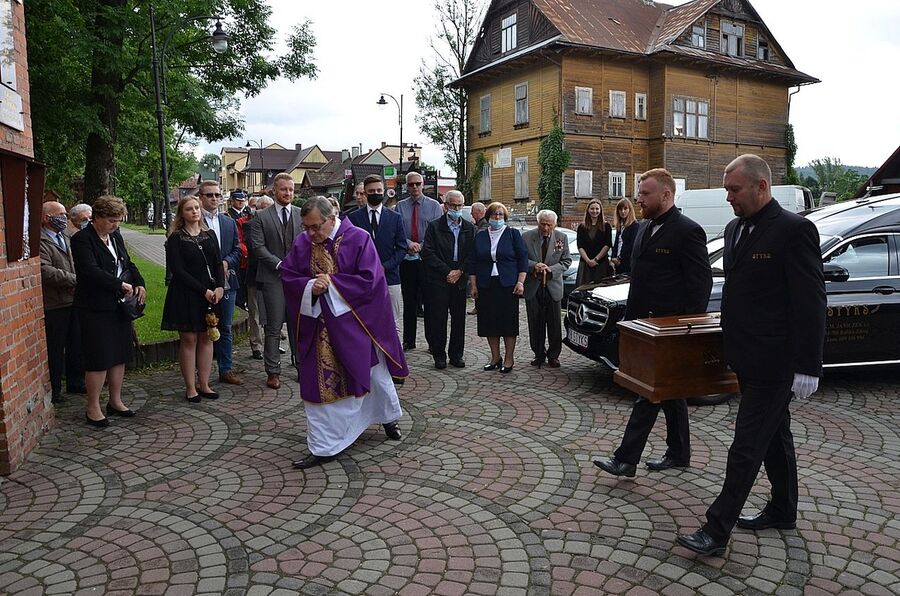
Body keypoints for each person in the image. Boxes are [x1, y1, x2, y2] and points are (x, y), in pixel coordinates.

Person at [676, 155, 826, 557]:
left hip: (777, 361)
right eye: (726, 190)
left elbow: (811, 301)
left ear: (762, 187)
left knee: (746, 445)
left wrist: (808, 365)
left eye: (734, 189)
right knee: (776, 437)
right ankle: (783, 509)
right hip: (746, 354)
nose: (728, 197)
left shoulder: (795, 231)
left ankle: (717, 529)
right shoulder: (734, 227)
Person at [594, 168, 712, 478]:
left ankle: (626, 458)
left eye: (645, 194)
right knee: (671, 391)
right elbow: (639, 280)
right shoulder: (644, 229)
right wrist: (630, 323)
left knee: (650, 392)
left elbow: (700, 285)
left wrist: (686, 330)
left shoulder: (689, 231)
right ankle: (679, 452)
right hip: (643, 327)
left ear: (666, 195)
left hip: (670, 330)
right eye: (640, 193)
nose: (639, 199)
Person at [280, 197, 408, 469]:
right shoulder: (303, 242)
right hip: (318, 325)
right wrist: (310, 286)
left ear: (331, 218)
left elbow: (371, 281)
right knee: (319, 383)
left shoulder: (358, 238)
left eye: (315, 227)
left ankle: (387, 417)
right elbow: (289, 275)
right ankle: (324, 445)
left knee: (373, 374)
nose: (311, 234)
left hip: (357, 324)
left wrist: (333, 284)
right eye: (306, 227)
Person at [71, 195, 145, 427]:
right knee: (99, 357)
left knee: (119, 354)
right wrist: (118, 285)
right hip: (95, 307)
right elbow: (89, 271)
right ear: (98, 217)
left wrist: (139, 281)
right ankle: (92, 407)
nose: (116, 224)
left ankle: (115, 400)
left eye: (118, 220)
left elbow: (127, 262)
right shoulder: (83, 239)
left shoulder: (115, 236)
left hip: (118, 306)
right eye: (112, 220)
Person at [161, 197, 226, 403]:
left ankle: (205, 383)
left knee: (207, 337)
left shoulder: (210, 235)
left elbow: (218, 263)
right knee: (189, 339)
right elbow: (177, 270)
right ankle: (190, 387)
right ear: (182, 213)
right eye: (189, 209)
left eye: (197, 208)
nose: (194, 212)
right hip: (186, 294)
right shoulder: (176, 238)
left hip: (211, 294)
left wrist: (219, 287)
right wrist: (203, 290)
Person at [251, 172, 304, 389]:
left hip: (299, 278)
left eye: (291, 190)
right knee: (273, 327)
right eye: (284, 189)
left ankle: (302, 366)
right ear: (274, 190)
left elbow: (310, 241)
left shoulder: (302, 214)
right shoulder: (261, 218)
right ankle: (273, 371)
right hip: (273, 277)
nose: (288, 193)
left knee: (299, 325)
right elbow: (257, 247)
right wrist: (279, 265)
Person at [469, 202, 528, 373]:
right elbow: (473, 261)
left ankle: (509, 358)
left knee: (508, 323)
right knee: (489, 322)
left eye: (501, 215)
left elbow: (522, 259)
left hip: (508, 284)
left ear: (505, 217)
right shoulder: (480, 236)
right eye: (494, 214)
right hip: (486, 284)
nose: (497, 217)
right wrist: (473, 285)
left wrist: (520, 282)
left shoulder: (512, 234)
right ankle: (495, 357)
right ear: (488, 217)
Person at [420, 190, 476, 369]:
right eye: (453, 205)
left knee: (459, 319)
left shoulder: (469, 227)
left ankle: (456, 355)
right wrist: (447, 271)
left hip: (460, 279)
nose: (457, 208)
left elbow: (472, 254)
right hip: (439, 278)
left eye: (460, 205)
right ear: (446, 206)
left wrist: (459, 271)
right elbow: (428, 253)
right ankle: (439, 355)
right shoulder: (434, 226)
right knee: (438, 318)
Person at [348, 174, 407, 338]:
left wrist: (384, 266)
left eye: (379, 190)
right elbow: (350, 249)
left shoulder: (395, 218)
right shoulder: (353, 218)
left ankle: (395, 360)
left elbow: (402, 247)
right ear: (365, 193)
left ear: (385, 191)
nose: (376, 193)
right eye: (371, 191)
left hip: (390, 278)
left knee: (393, 322)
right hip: (362, 278)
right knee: (364, 321)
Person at [40, 201, 86, 403]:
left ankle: (76, 382)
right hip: (55, 303)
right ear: (46, 218)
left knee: (76, 343)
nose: (64, 217)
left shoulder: (65, 236)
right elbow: (45, 270)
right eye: (60, 214)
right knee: (56, 347)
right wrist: (74, 279)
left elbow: (75, 262)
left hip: (73, 299)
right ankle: (55, 389)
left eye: (65, 214)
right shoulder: (40, 241)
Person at [198, 181, 243, 386]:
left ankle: (226, 369)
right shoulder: (195, 221)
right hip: (202, 283)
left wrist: (226, 262)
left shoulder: (228, 222)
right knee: (202, 328)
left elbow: (237, 249)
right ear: (201, 197)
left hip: (226, 281)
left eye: (217, 195)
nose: (214, 199)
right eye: (209, 195)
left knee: (225, 326)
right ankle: (201, 374)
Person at [395, 171, 443, 351]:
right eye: (411, 184)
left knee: (430, 302)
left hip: (428, 259)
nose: (414, 187)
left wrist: (423, 245)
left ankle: (432, 342)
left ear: (423, 184)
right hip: (407, 260)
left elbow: (438, 231)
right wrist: (408, 244)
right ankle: (409, 339)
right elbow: (397, 231)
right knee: (409, 302)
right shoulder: (400, 206)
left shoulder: (434, 206)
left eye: (418, 183)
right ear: (406, 186)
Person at [523, 210, 572, 369]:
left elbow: (566, 261)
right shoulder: (527, 237)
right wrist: (534, 266)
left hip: (553, 285)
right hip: (533, 285)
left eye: (548, 225)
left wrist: (551, 269)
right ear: (538, 223)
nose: (545, 228)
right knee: (535, 321)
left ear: (554, 224)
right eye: (542, 224)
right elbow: (522, 258)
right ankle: (538, 353)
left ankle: (553, 355)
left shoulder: (561, 237)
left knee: (554, 323)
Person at [242, 195, 272, 360]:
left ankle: (271, 345)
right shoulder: (250, 225)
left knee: (272, 312)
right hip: (255, 274)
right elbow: (254, 248)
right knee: (255, 313)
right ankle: (256, 345)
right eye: (263, 208)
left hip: (272, 275)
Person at [576, 199, 613, 286]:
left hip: (601, 265)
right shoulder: (582, 227)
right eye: (592, 209)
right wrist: (588, 261)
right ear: (588, 210)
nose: (594, 211)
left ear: (600, 210)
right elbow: (580, 246)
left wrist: (596, 259)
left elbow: (607, 245)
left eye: (597, 209)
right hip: (585, 265)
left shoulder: (606, 226)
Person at [610, 198, 639, 275]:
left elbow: (631, 246)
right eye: (620, 209)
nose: (623, 211)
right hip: (618, 264)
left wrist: (620, 258)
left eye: (625, 208)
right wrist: (613, 257)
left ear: (630, 210)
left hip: (627, 264)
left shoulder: (635, 226)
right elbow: (616, 243)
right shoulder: (620, 226)